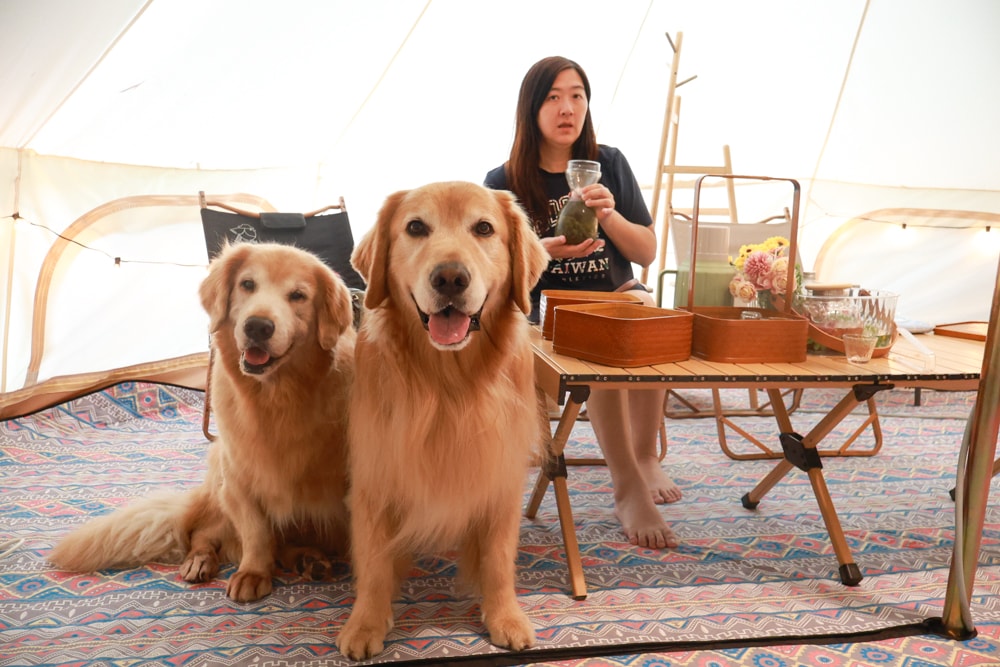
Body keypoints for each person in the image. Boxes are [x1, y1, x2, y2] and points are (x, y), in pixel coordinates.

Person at [485, 56, 680, 549]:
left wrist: (609, 215)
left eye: (576, 95)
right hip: (545, 307)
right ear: (532, 109)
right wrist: (541, 251)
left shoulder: (609, 163)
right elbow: (491, 270)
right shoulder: (503, 180)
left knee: (650, 313)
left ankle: (644, 454)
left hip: (613, 293)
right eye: (552, 97)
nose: (566, 108)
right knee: (604, 342)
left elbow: (646, 251)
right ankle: (627, 486)